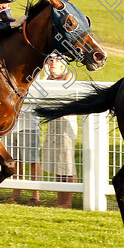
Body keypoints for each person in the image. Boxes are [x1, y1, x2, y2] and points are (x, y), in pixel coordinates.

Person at [40, 56, 78, 208]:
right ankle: (59, 200)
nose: (53, 63)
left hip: (65, 125)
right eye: (50, 60)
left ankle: (67, 202)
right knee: (58, 164)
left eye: (57, 60)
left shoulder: (69, 77)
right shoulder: (48, 78)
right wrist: (45, 78)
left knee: (67, 164)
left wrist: (46, 81)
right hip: (53, 124)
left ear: (64, 63)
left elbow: (56, 95)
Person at [6, 108, 42, 205]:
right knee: (13, 161)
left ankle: (35, 195)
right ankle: (16, 192)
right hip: (9, 124)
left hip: (29, 125)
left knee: (33, 161)